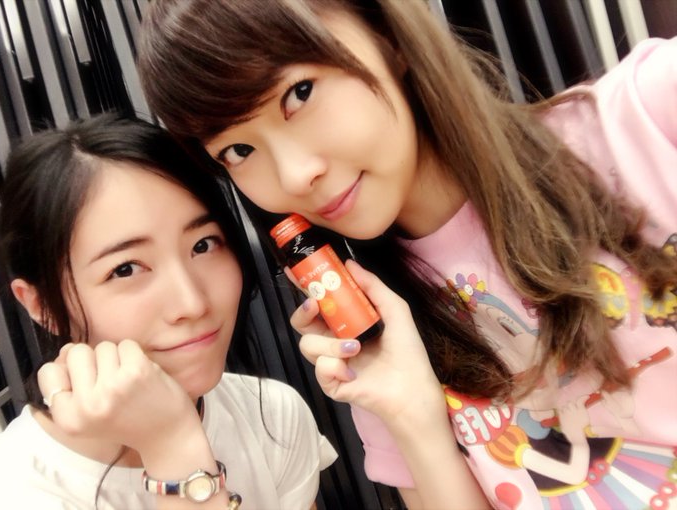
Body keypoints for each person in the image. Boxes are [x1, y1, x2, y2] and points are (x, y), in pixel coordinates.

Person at [136, 1, 677, 509]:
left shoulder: (647, 116)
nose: (295, 176)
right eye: (238, 150)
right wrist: (414, 417)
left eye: (299, 93)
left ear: (385, 34)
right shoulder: (375, 335)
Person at [0, 115, 337, 509]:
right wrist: (174, 451)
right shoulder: (17, 490)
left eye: (203, 245)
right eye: (125, 269)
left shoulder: (272, 416)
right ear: (41, 306)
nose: (192, 303)